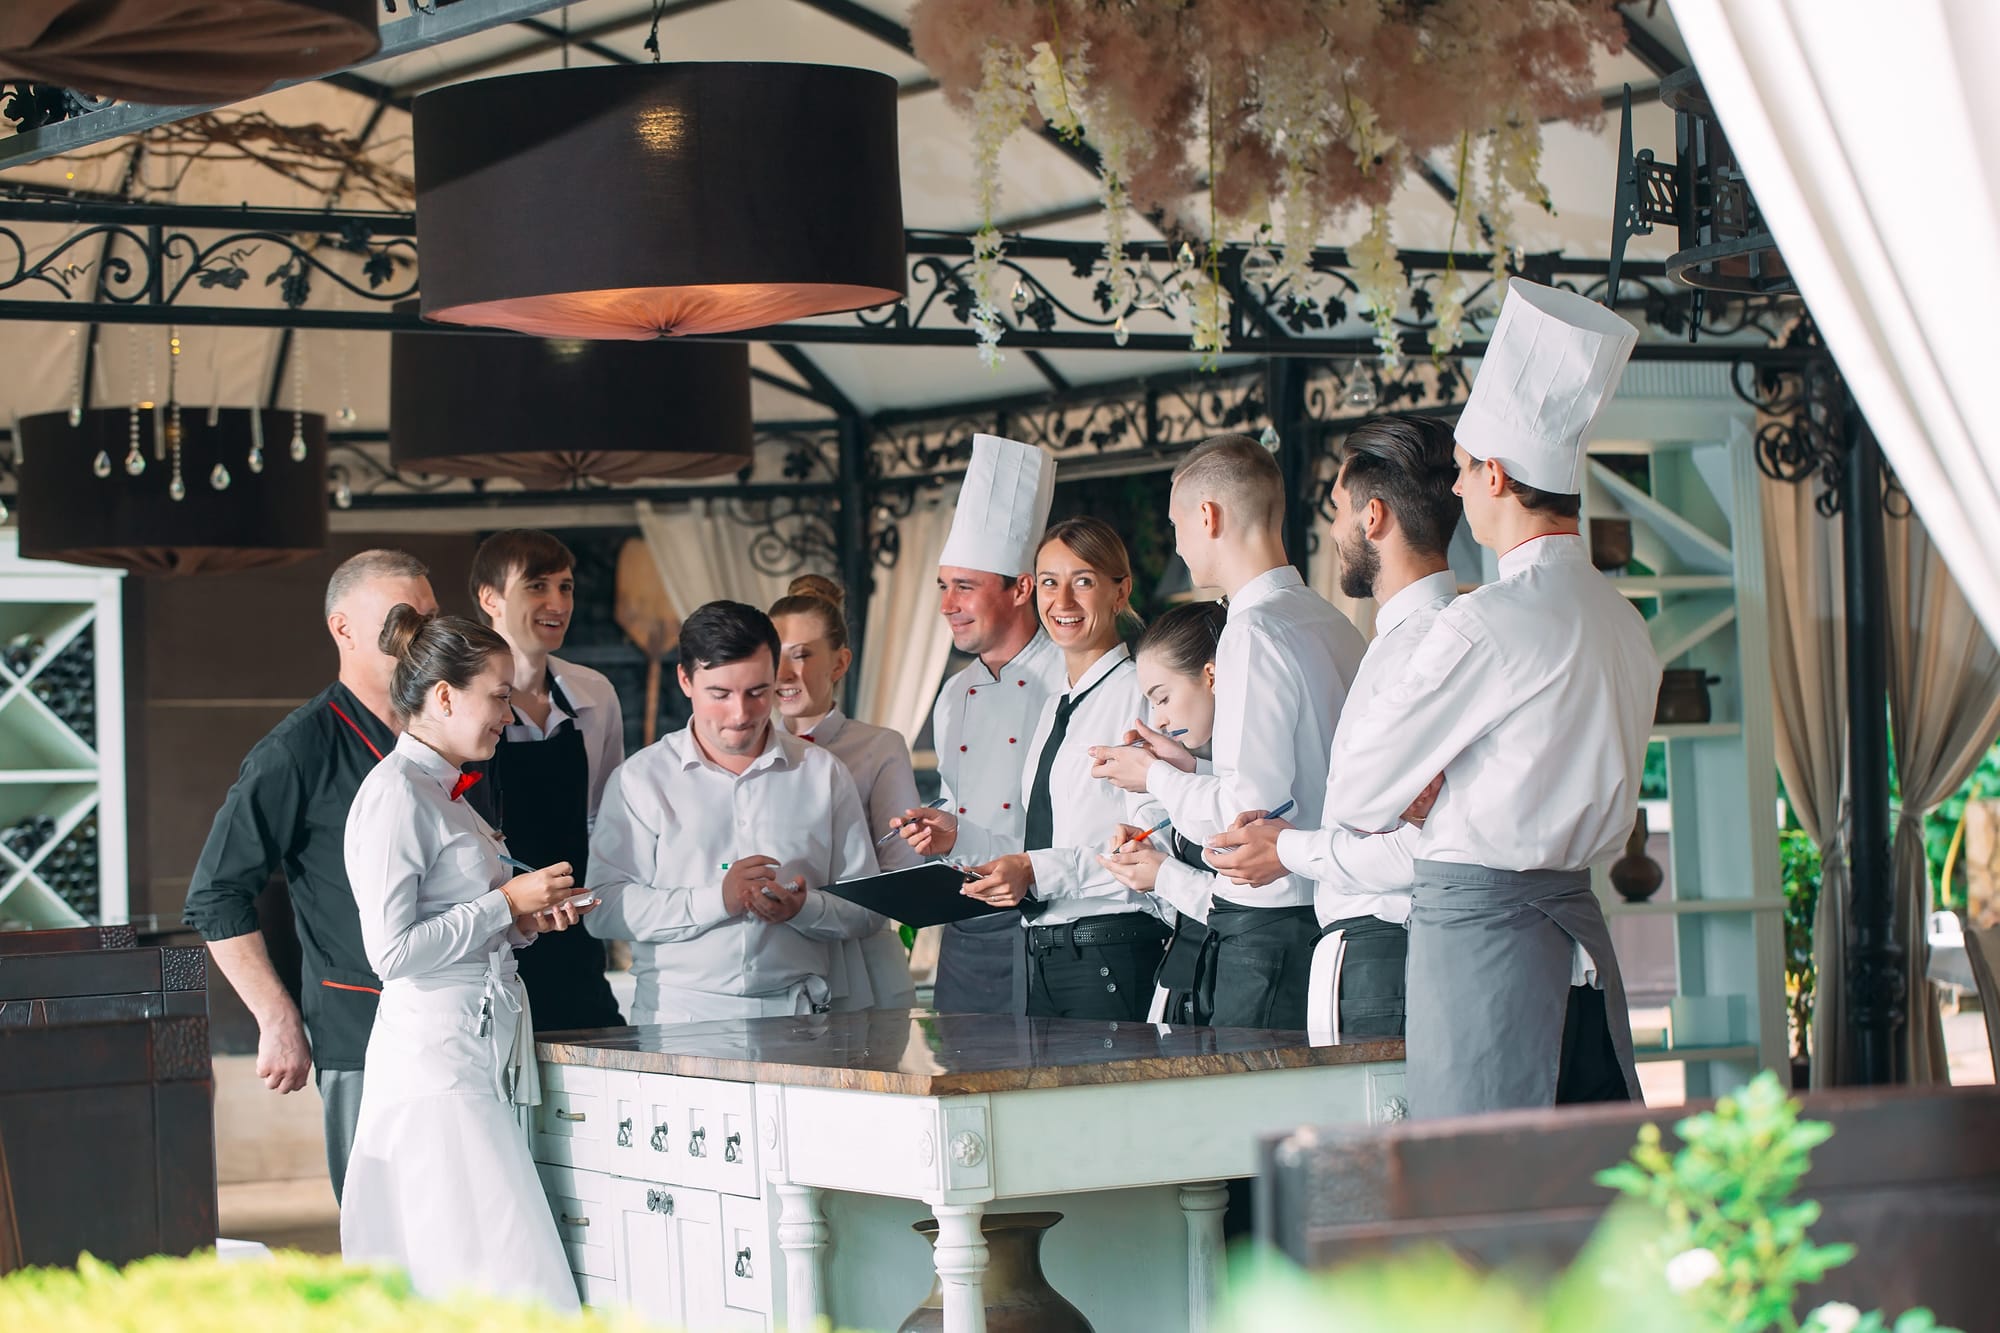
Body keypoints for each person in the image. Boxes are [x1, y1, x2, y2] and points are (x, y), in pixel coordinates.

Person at [1319, 279, 1655, 1117]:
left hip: (1481, 942)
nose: (1457, 490)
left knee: (1479, 1200)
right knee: (1591, 1190)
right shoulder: (1624, 620)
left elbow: (1359, 793)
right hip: (1580, 936)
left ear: (1496, 475)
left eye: (1465, 471)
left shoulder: (1487, 622)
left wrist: (1430, 790)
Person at [339, 605, 588, 1308]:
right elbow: (391, 952)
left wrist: (527, 920)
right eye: (499, 695)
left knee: (491, 1250)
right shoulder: (393, 796)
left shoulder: (447, 794)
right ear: (445, 696)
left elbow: (463, 921)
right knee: (488, 1250)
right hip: (435, 1062)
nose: (509, 714)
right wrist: (505, 903)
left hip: (480, 1045)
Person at [1089, 434, 1370, 1029]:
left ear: (1207, 517)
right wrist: (1193, 770)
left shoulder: (1250, 631)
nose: (1179, 546)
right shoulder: (1334, 624)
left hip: (1267, 932)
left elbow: (1244, 820)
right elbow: (1305, 779)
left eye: (1176, 527)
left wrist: (1157, 778)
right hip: (1334, 910)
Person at [183, 549, 437, 1202]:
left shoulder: (456, 736)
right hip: (362, 1034)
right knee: (383, 1231)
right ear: (343, 628)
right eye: (402, 618)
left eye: (430, 618)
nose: (421, 636)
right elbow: (216, 895)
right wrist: (277, 1015)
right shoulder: (295, 752)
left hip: (463, 1029)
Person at [1206, 415, 1465, 1041]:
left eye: (1337, 508)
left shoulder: (1422, 648)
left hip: (1391, 951)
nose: (1331, 527)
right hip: (1382, 948)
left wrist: (1287, 847)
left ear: (1372, 517)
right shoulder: (1393, 636)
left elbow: (1422, 844)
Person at [899, 518, 1171, 1020]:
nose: (1062, 601)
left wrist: (1031, 869)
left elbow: (1155, 848)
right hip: (1048, 952)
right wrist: (958, 836)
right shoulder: (1055, 708)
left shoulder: (1139, 695)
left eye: (1083, 581)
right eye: (1050, 582)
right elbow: (1042, 849)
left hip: (1113, 950)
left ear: (1121, 591)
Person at [586, 601, 885, 1023]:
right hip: (677, 1020)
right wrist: (718, 900)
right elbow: (603, 909)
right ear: (685, 680)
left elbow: (868, 909)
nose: (741, 714)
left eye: (758, 692)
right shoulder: (640, 780)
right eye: (720, 694)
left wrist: (805, 909)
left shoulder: (823, 774)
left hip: (802, 1020)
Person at [924, 434, 1068, 1014]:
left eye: (965, 587)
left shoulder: (1072, 677)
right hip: (964, 924)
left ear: (1021, 588)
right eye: (942, 586)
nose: (947, 605)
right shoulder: (953, 694)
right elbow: (956, 804)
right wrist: (933, 831)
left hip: (1048, 921)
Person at [463, 529, 626, 1033]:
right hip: (490, 939)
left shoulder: (594, 693)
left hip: (575, 931)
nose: (557, 601)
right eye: (537, 585)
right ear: (490, 598)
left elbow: (604, 816)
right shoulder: (459, 702)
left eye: (567, 586)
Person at [768, 573, 919, 1011]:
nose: (783, 674)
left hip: (863, 961)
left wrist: (817, 907)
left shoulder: (878, 746)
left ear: (839, 664)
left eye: (801, 657)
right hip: (777, 962)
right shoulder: (747, 752)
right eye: (774, 656)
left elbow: (901, 871)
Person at [1096, 601, 1229, 1024]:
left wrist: (1163, 875)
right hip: (1185, 983)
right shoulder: (1200, 770)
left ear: (1211, 676)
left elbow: (1251, 906)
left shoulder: (1258, 779)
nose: (1160, 719)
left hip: (1233, 984)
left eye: (1163, 698)